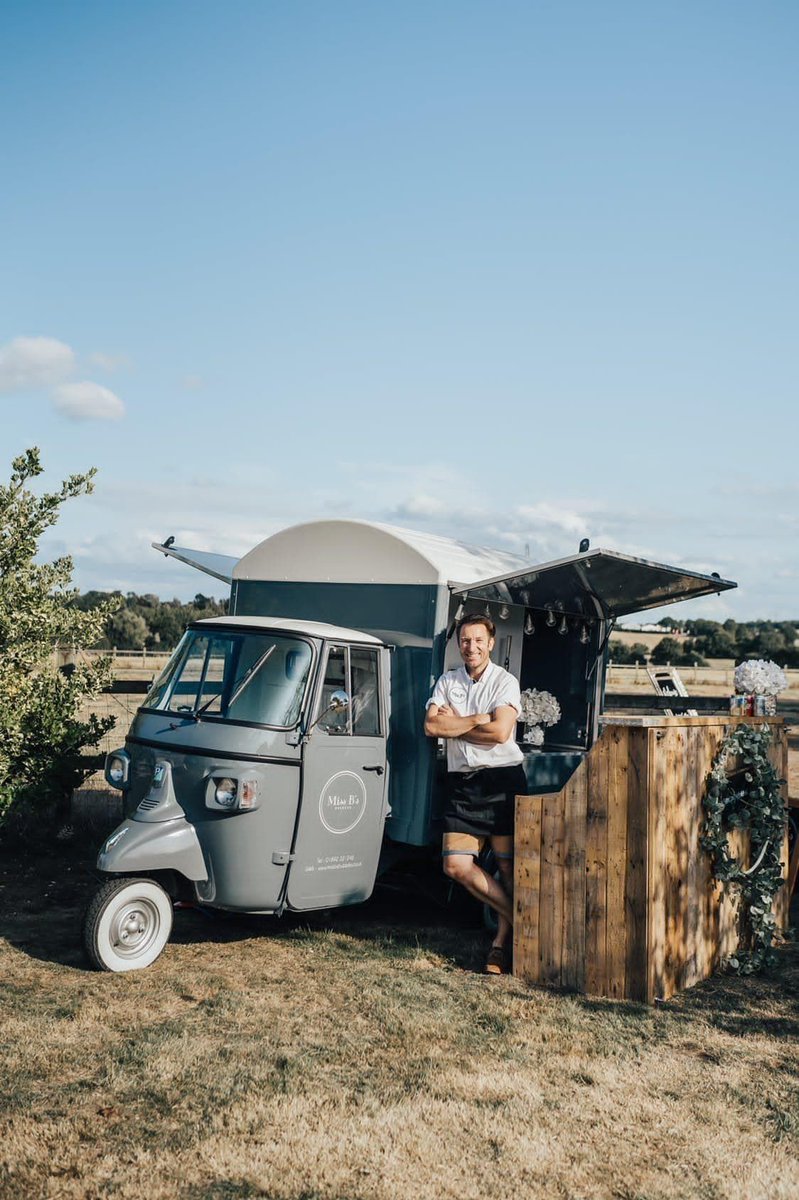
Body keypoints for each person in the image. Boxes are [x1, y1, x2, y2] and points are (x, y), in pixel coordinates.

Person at [424, 612, 526, 975]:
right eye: (465, 640)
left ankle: (500, 947)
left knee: (507, 869)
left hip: (501, 782)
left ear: (491, 643)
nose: (471, 646)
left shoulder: (505, 682)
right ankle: (525, 921)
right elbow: (431, 725)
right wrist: (476, 720)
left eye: (478, 640)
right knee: (455, 865)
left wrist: (456, 726)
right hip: (462, 785)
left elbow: (500, 734)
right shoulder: (448, 681)